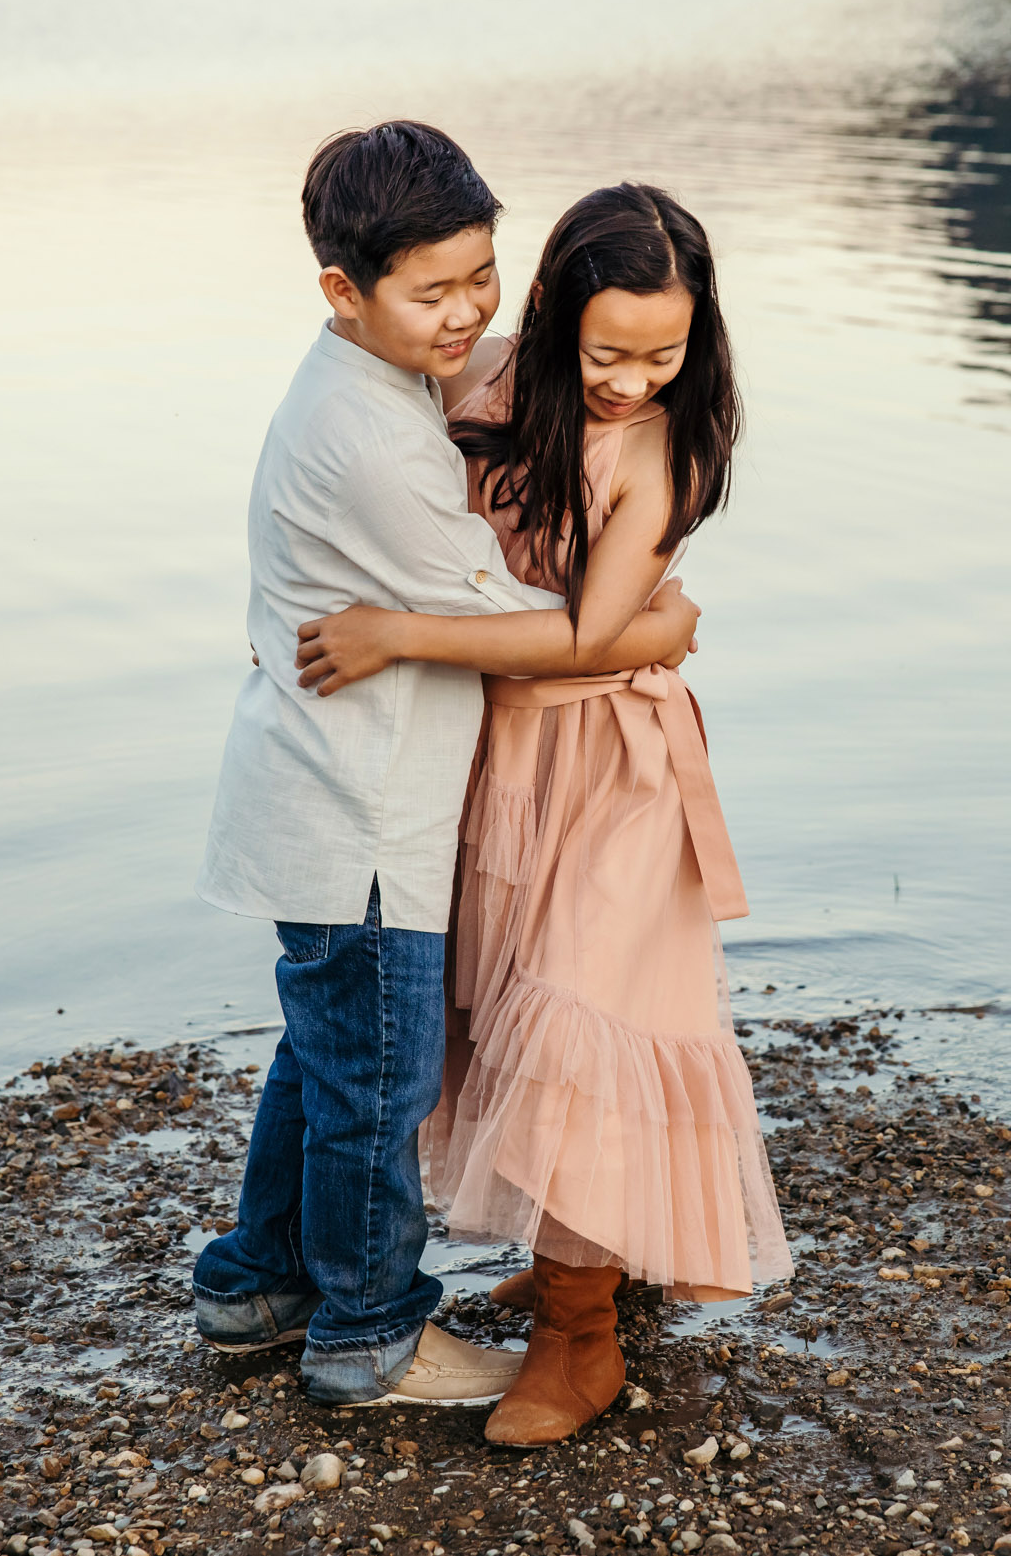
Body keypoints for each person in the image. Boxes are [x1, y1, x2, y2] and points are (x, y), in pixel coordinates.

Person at [194, 125, 703, 1409]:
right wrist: (659, 627)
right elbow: (529, 627)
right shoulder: (377, 441)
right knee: (377, 1078)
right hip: (362, 806)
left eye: (482, 272)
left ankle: (258, 1278)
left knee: (323, 1055)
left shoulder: (392, 380)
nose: (465, 308)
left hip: (341, 787)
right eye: (435, 289)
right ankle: (371, 1331)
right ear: (343, 291)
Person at [292, 183, 791, 1446]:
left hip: (611, 758)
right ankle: (586, 1252)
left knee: (588, 1008)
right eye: (607, 351)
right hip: (494, 753)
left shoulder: (666, 443)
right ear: (558, 318)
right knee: (505, 995)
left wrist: (403, 635)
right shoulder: (493, 385)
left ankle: (583, 1335)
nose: (631, 380)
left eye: (663, 352)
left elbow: (580, 637)